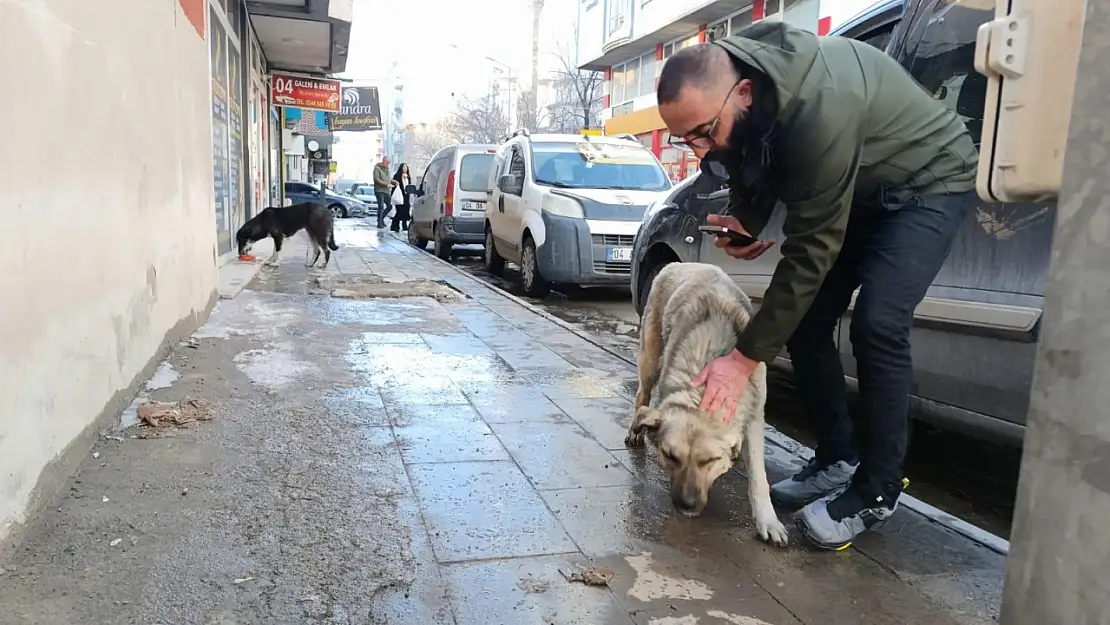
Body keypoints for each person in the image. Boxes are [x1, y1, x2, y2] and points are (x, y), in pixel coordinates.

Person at [656, 21, 977, 549]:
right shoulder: (747, 83)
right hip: (863, 187)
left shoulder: (818, 107)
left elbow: (812, 251)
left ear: (743, 93)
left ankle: (877, 487)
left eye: (704, 133)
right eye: (684, 137)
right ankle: (837, 456)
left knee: (878, 323)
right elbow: (750, 155)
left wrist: (743, 360)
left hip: (928, 183)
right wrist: (747, 218)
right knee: (804, 321)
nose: (698, 151)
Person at [372, 156, 394, 229]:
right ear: (384, 161)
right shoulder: (377, 169)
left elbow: (389, 179)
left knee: (390, 206)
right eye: (387, 163)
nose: (388, 164)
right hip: (379, 190)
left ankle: (380, 219)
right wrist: (386, 184)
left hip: (386, 191)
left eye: (389, 163)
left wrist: (394, 182)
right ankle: (379, 223)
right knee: (381, 206)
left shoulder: (387, 169)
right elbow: (377, 179)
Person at [391, 163, 413, 232]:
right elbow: (394, 186)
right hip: (400, 196)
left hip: (406, 196)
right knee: (399, 211)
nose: (405, 168)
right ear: (401, 168)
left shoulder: (408, 177)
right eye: (404, 167)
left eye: (406, 167)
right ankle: (395, 226)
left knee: (406, 211)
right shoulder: (397, 176)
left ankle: (404, 225)